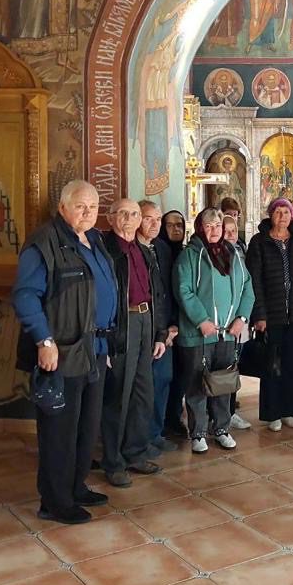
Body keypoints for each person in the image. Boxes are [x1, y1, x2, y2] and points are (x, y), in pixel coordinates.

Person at [12, 180, 117, 524]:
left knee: (87, 426)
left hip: (96, 348)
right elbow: (25, 296)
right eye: (80, 206)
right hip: (63, 350)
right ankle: (55, 501)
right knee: (60, 430)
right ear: (62, 207)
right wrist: (44, 341)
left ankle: (75, 486)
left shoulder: (95, 239)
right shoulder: (43, 243)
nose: (88, 212)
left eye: (93, 207)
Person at [101, 199, 169, 488]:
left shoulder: (143, 250)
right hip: (122, 325)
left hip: (145, 322)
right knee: (119, 394)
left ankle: (135, 452)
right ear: (111, 217)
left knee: (143, 391)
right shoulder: (105, 249)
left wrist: (160, 333)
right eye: (124, 213)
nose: (129, 219)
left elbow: (157, 293)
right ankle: (113, 461)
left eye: (135, 214)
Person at [175, 208, 254, 453]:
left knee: (223, 382)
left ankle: (221, 428)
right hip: (200, 334)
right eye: (208, 226)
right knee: (197, 383)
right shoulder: (189, 255)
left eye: (217, 225)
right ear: (200, 228)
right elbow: (184, 290)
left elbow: (247, 287)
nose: (214, 230)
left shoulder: (233, 254)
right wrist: (201, 320)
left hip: (227, 332)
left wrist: (242, 318)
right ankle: (198, 432)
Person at [246, 198, 293, 431]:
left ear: (292, 215)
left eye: (286, 212)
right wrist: (259, 314)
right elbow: (254, 281)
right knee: (272, 365)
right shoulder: (259, 242)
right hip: (271, 315)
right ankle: (273, 414)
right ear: (271, 215)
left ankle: (290, 411)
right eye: (278, 212)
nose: (282, 216)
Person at [137, 200, 180, 457]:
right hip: (143, 330)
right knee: (143, 388)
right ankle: (140, 439)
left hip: (165, 330)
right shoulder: (131, 249)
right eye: (148, 218)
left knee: (163, 380)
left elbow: (169, 290)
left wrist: (172, 326)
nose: (154, 224)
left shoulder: (162, 248)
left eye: (157, 219)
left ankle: (155, 433)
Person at [219, 212, 251, 431]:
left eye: (233, 231)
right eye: (226, 231)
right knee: (220, 370)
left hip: (240, 320)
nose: (230, 235)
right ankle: (219, 414)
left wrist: (244, 316)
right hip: (221, 322)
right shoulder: (214, 254)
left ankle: (229, 411)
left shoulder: (241, 251)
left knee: (233, 367)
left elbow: (247, 286)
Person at [159, 210, 188, 437]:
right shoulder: (158, 252)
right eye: (170, 225)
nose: (176, 229)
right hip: (166, 326)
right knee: (163, 377)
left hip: (185, 324)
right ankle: (161, 422)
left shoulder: (185, 253)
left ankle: (175, 417)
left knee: (181, 375)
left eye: (179, 225)